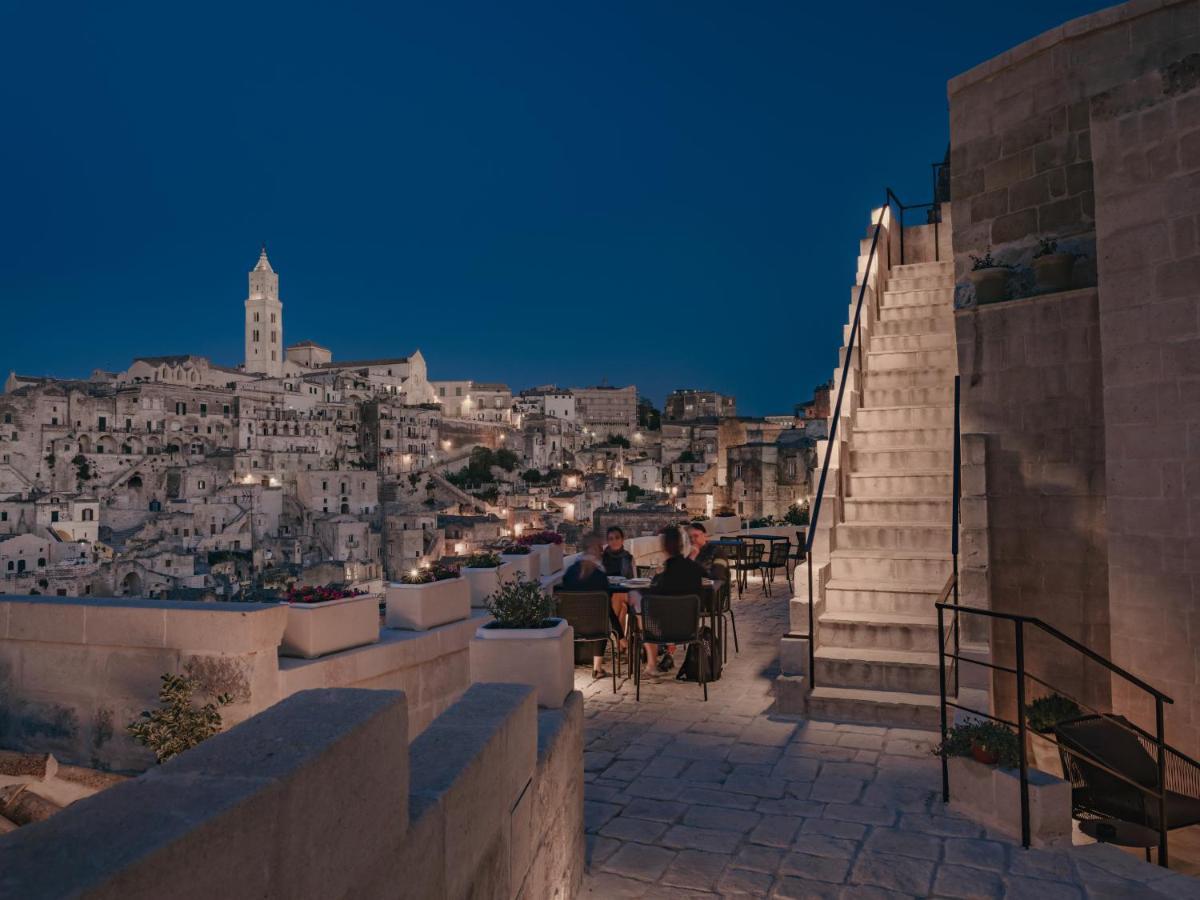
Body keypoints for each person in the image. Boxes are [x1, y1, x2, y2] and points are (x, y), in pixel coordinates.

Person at [633, 526, 705, 676]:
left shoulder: (662, 579)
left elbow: (651, 601)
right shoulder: (695, 570)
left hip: (662, 632)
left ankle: (651, 664)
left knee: (639, 605)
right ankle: (666, 656)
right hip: (689, 630)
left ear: (665, 547)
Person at [561, 532, 614, 678]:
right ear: (595, 549)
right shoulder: (600, 576)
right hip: (597, 628)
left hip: (571, 626)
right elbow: (607, 608)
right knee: (600, 618)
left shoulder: (570, 572)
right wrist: (621, 635)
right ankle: (597, 667)